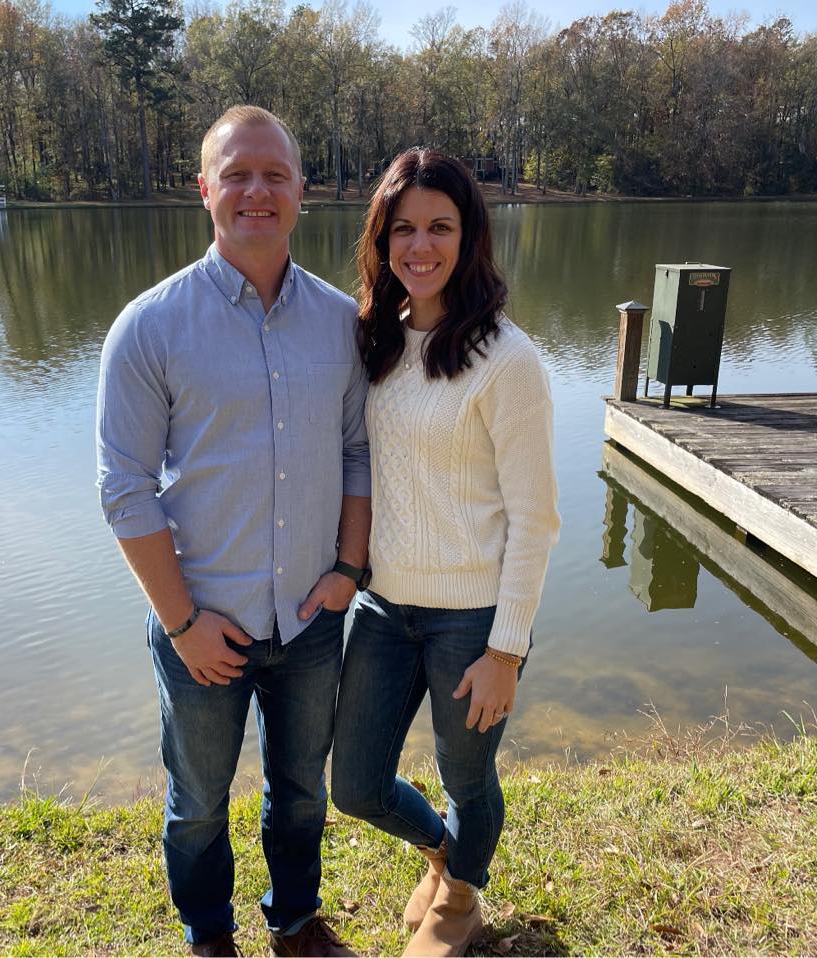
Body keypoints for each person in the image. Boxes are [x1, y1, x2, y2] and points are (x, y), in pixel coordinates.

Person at [96, 105, 371, 958]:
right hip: (203, 624)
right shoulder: (150, 326)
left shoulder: (341, 323)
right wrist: (182, 623)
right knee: (199, 799)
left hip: (311, 618)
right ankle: (207, 931)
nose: (258, 190)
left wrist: (349, 571)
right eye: (238, 174)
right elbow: (125, 491)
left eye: (276, 174)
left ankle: (293, 919)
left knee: (299, 792)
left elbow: (360, 452)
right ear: (206, 189)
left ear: (302, 194)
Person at [331, 148, 560, 958]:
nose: (419, 246)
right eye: (403, 229)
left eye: (440, 227)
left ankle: (460, 897)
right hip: (385, 609)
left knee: (468, 780)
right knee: (354, 786)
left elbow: (536, 520)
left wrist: (508, 648)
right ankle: (442, 852)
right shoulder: (376, 346)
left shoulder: (509, 362)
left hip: (473, 619)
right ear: (380, 239)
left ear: (469, 237)